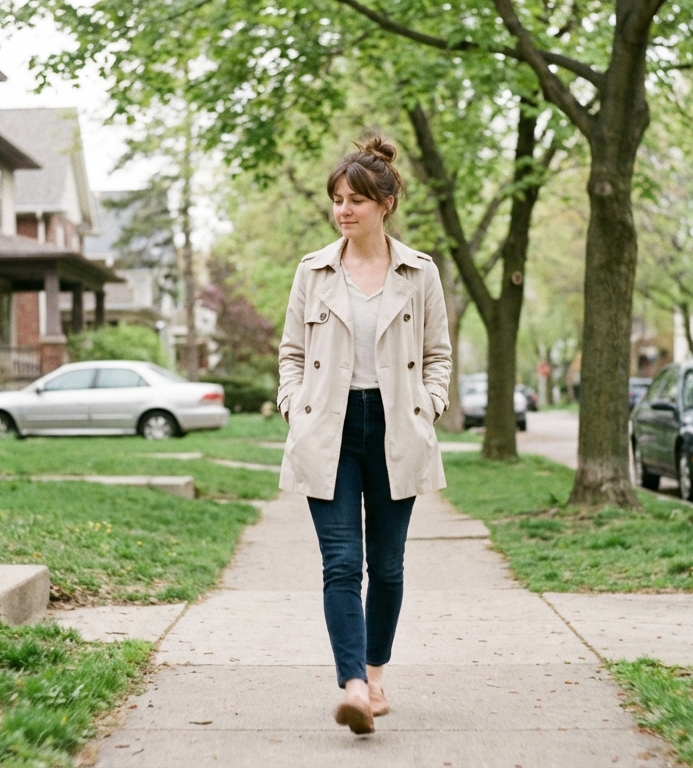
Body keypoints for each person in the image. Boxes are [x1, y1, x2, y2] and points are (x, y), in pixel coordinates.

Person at [276, 136, 453, 735]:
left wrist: (429, 405)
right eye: (337, 200)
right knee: (341, 563)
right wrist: (291, 406)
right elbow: (291, 354)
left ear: (386, 203)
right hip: (328, 427)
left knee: (389, 566)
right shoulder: (314, 272)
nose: (344, 210)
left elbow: (438, 355)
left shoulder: (419, 272)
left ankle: (376, 677)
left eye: (356, 200)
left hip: (396, 427)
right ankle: (352, 684)